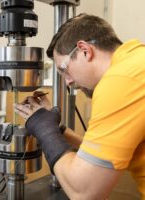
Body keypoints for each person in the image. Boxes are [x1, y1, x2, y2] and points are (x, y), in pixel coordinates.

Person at [14, 13, 145, 199]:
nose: (67, 81)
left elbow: (84, 192)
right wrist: (58, 129)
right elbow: (106, 150)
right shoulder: (135, 59)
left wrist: (44, 129)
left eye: (64, 69)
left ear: (84, 50)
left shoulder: (120, 81)